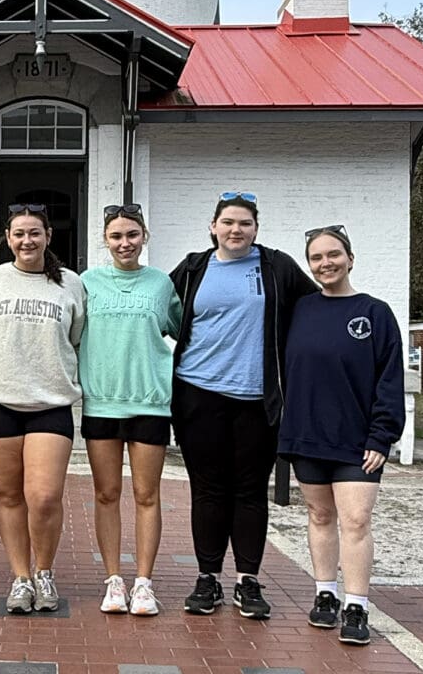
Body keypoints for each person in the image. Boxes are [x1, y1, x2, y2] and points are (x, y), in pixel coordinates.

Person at [169, 192, 316, 620]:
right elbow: (157, 312)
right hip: (198, 394)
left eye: (245, 223)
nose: (236, 230)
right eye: (228, 222)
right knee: (208, 490)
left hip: (257, 399)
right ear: (213, 227)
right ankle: (208, 578)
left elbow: (313, 311)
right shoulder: (194, 268)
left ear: (256, 229)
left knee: (250, 492)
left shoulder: (277, 267)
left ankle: (247, 580)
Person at [279, 224, 405, 646]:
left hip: (358, 442)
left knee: (356, 520)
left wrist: (382, 436)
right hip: (307, 435)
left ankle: (356, 604)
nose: (325, 263)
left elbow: (389, 378)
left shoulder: (375, 313)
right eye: (316, 257)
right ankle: (325, 593)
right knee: (320, 516)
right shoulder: (298, 311)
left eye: (333, 254)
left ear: (350, 258)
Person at [0, 204, 86, 614]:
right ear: (8, 238)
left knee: (45, 496)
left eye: (35, 233)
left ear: (48, 236)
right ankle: (20, 577)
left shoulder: (70, 283)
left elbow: (76, 337)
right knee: (9, 494)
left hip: (49, 402)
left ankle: (44, 571)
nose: (27, 241)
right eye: (19, 233)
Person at [79, 204, 182, 617]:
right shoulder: (87, 283)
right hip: (101, 401)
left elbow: (185, 331)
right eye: (117, 236)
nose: (125, 243)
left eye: (132, 235)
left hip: (150, 403)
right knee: (106, 494)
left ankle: (143, 583)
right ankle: (113, 580)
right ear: (105, 240)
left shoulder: (161, 284)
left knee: (146, 495)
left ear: (144, 237)